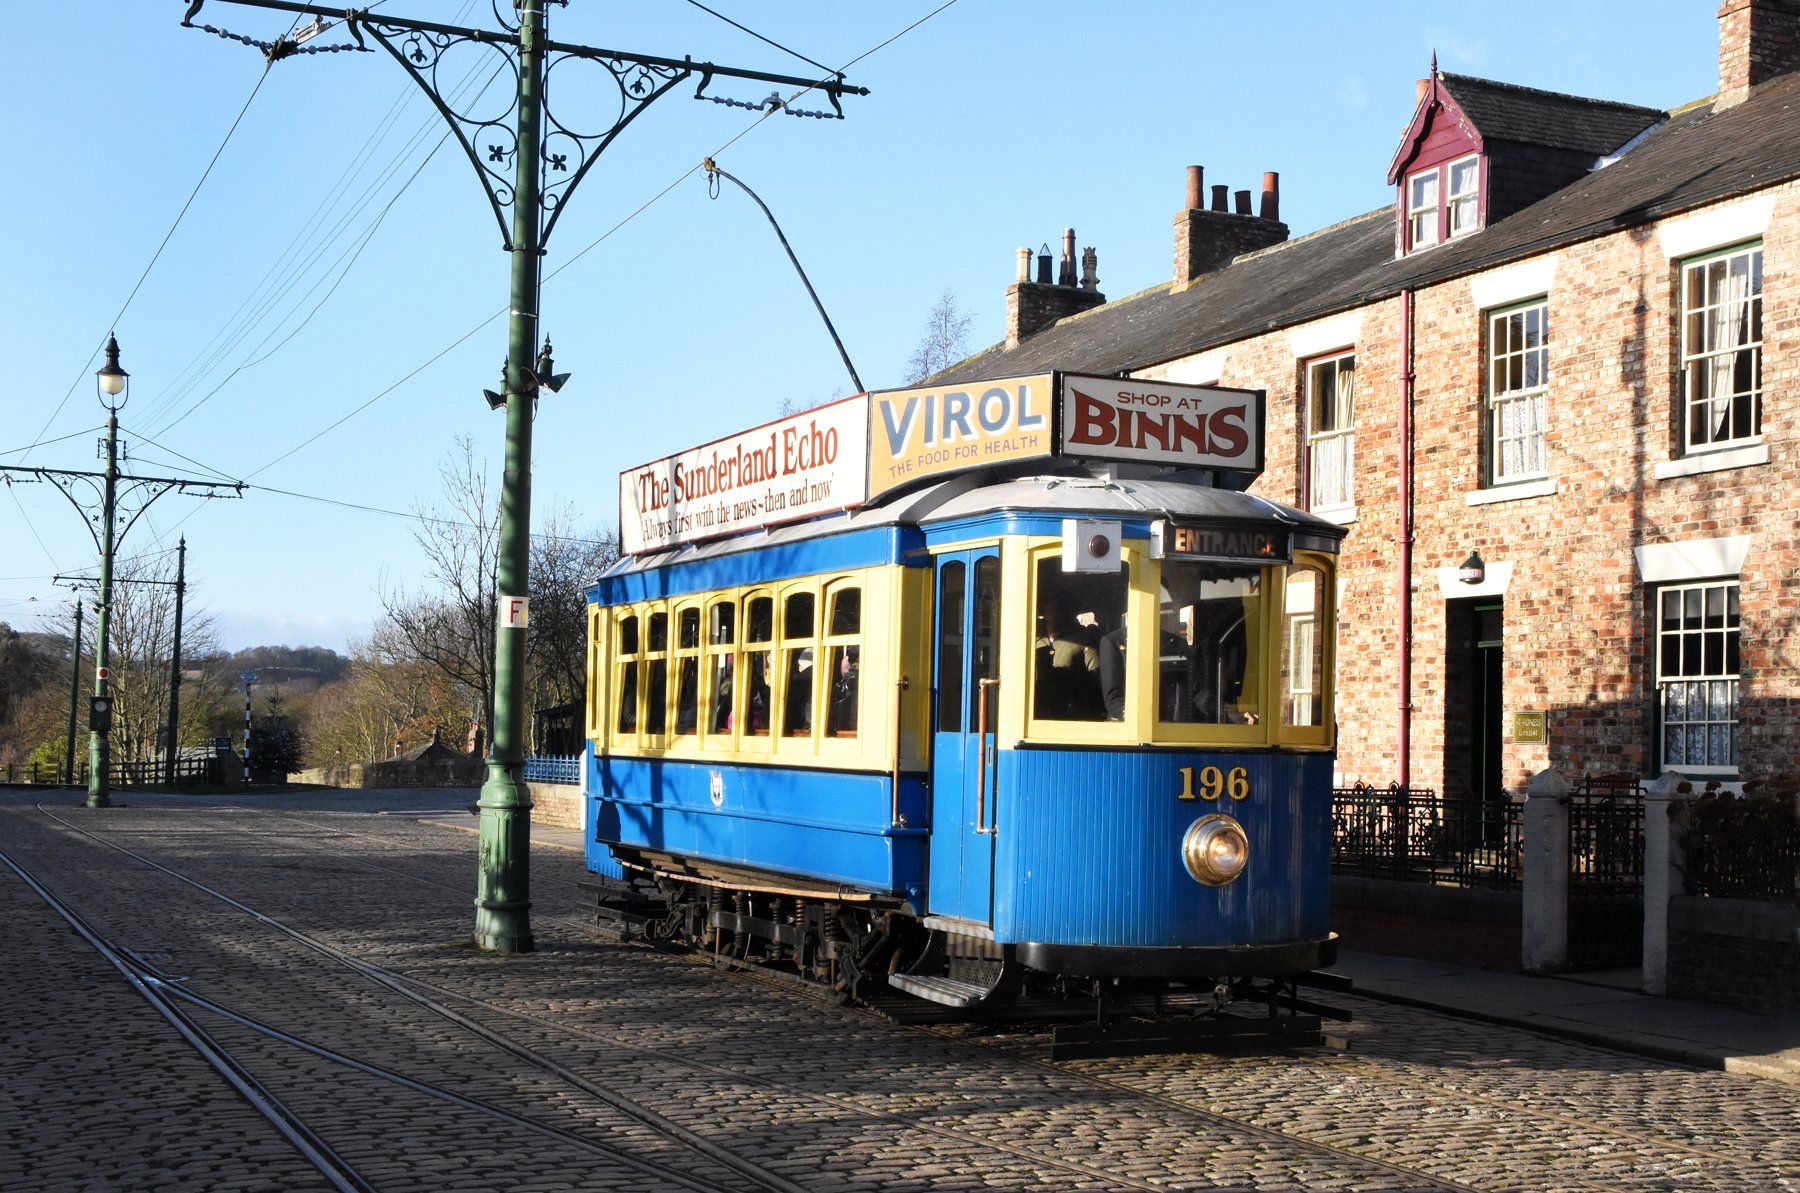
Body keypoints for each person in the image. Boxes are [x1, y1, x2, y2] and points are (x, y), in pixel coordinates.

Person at [1035, 593, 1102, 719]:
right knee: (989, 739)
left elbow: (1096, 680)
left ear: (1063, 609)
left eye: (1047, 603)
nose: (1042, 609)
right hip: (1037, 712)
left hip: (1071, 715)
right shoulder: (1034, 639)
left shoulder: (1084, 639)